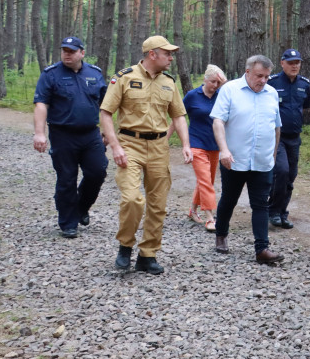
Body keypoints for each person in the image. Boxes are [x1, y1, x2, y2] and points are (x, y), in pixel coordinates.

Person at [100, 35, 192, 275]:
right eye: (167, 53)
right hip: (130, 144)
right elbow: (106, 113)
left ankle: (147, 254)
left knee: (158, 203)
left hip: (159, 147)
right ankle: (125, 246)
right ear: (153, 54)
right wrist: (115, 146)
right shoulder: (124, 78)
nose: (171, 57)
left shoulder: (169, 83)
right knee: (132, 198)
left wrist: (185, 144)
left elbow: (178, 116)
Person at [32, 35, 109, 238]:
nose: (67, 54)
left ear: (81, 53)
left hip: (90, 134)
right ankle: (68, 222)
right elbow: (41, 104)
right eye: (64, 50)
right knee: (66, 179)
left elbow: (106, 106)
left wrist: (108, 132)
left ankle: (81, 207)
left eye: (72, 51)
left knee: (98, 172)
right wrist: (39, 133)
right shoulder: (50, 74)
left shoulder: (95, 74)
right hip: (62, 133)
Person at [210, 55, 284, 264]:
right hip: (233, 159)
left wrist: (273, 152)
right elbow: (217, 122)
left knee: (261, 204)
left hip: (262, 160)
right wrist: (223, 150)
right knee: (229, 199)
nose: (263, 80)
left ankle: (262, 249)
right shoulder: (230, 90)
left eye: (267, 76)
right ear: (248, 72)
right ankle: (221, 234)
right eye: (259, 75)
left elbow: (276, 126)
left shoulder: (271, 93)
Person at [267, 48, 310, 229]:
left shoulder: (305, 84)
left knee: (291, 176)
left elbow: (305, 107)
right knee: (282, 171)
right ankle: (273, 211)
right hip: (277, 137)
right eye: (291, 63)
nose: (295, 66)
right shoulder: (272, 82)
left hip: (295, 137)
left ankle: (282, 213)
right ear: (282, 63)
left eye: (297, 63)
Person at [182, 64, 227, 232]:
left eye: (218, 82)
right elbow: (178, 116)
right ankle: (210, 218)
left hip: (215, 145)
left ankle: (192, 210)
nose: (215, 85)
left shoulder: (222, 96)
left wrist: (225, 84)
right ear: (205, 79)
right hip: (196, 143)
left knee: (206, 180)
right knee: (206, 181)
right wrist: (167, 137)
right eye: (213, 81)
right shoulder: (192, 96)